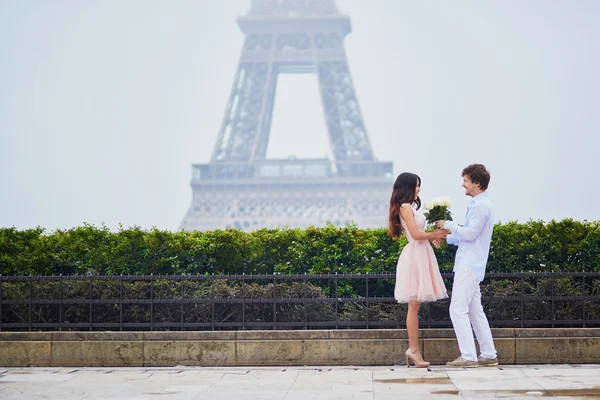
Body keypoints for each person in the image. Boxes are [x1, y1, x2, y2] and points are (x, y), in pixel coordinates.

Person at [435, 164, 498, 368]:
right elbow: (469, 237)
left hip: (469, 265)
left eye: (466, 180)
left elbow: (470, 234)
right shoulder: (480, 205)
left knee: (457, 309)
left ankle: (469, 356)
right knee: (474, 311)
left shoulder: (480, 207)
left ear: (476, 183)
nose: (463, 183)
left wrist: (448, 225)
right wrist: (447, 237)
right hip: (471, 264)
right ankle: (488, 353)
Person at [389, 172, 448, 368]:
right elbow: (415, 234)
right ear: (407, 187)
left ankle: (413, 350)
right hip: (415, 256)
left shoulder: (408, 207)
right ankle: (413, 350)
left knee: (415, 305)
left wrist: (435, 236)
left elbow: (420, 234)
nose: (419, 189)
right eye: (416, 185)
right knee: (414, 305)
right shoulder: (405, 207)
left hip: (421, 254)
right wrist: (435, 233)